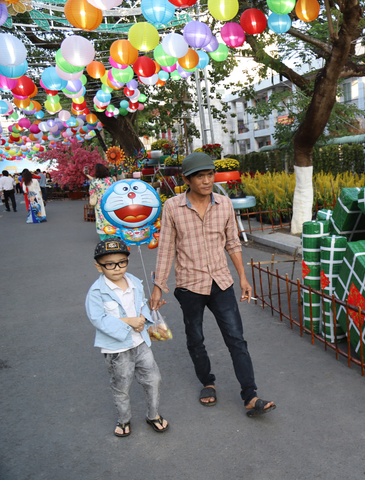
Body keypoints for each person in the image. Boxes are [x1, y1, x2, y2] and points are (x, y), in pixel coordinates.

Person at [150, 152, 275, 417]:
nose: (206, 181)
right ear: (187, 179)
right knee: (195, 339)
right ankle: (208, 381)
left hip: (221, 282)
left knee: (236, 339)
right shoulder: (173, 207)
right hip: (189, 285)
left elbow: (232, 243)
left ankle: (250, 396)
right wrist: (158, 287)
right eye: (200, 176)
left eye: (209, 175)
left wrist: (242, 277)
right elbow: (166, 249)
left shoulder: (224, 204)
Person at [85, 238, 169, 437]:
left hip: (141, 343)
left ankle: (153, 415)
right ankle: (123, 420)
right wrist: (128, 322)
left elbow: (141, 306)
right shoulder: (96, 292)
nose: (117, 268)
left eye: (122, 262)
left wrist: (146, 315)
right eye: (110, 264)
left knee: (153, 379)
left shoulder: (134, 282)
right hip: (117, 349)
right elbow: (98, 319)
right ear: (99, 267)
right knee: (122, 385)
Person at [85, 164, 116, 240]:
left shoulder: (94, 181)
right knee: (111, 217)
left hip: (99, 203)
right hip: (110, 202)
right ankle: (113, 234)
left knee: (101, 219)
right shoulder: (110, 180)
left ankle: (104, 237)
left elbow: (91, 192)